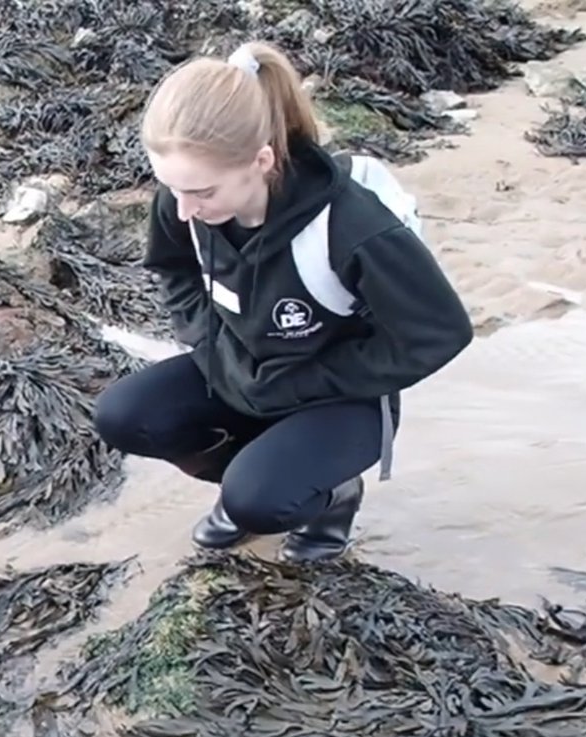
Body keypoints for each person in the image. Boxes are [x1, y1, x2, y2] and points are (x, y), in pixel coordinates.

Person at [94, 41, 475, 560]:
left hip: (340, 397)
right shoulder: (185, 201)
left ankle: (329, 495)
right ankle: (257, 479)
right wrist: (214, 352)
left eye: (202, 192)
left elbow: (439, 334)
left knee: (258, 501)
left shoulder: (353, 227)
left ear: (262, 160)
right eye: (171, 188)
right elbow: (173, 270)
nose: (183, 209)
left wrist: (309, 379)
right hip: (245, 375)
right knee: (123, 415)